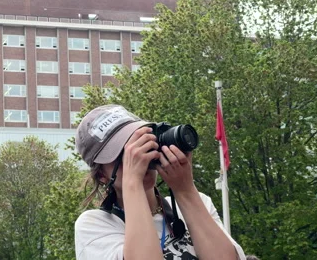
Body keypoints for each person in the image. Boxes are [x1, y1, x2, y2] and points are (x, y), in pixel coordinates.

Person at [74, 104, 246, 260]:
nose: (139, 156)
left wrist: (185, 190)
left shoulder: (198, 203)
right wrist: (132, 182)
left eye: (143, 144)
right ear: (102, 175)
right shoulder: (94, 225)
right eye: (124, 154)